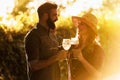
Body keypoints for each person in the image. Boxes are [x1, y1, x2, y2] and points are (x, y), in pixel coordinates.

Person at [24, 2, 68, 80]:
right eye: (54, 15)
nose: (57, 19)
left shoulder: (51, 34)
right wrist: (56, 58)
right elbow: (34, 66)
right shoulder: (33, 36)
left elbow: (52, 51)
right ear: (45, 15)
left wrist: (66, 47)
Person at [70, 13, 105, 80]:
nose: (78, 26)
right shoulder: (75, 46)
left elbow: (98, 76)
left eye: (82, 24)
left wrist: (82, 59)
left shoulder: (97, 49)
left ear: (89, 28)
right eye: (79, 23)